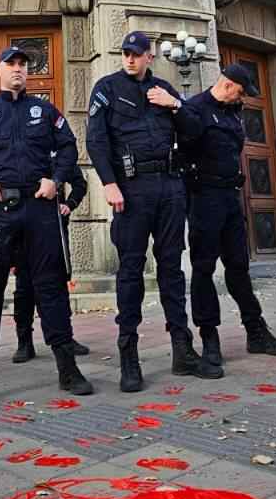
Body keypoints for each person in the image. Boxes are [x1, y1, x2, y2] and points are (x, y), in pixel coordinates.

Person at [0, 46, 91, 407]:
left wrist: (56, 178)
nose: (17, 70)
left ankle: (68, 368)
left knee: (52, 288)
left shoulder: (44, 111)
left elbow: (67, 147)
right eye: (10, 64)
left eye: (22, 65)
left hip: (40, 209)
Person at [85, 30, 205, 392]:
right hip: (131, 189)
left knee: (171, 268)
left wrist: (176, 105)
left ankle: (182, 349)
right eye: (126, 53)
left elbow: (195, 132)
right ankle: (129, 354)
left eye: (137, 54)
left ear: (150, 56)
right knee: (130, 271)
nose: (130, 59)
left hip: (169, 187)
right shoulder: (107, 88)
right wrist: (108, 182)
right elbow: (96, 139)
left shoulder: (166, 89)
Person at [179, 63, 276, 374]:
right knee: (203, 269)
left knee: (239, 267)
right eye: (241, 92)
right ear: (228, 85)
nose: (242, 98)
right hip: (203, 197)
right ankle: (209, 337)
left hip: (230, 198)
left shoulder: (232, 111)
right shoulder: (194, 109)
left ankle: (256, 331)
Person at [11, 164, 90, 363]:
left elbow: (79, 184)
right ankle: (24, 341)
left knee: (58, 284)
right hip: (23, 226)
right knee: (24, 288)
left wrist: (69, 204)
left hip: (53, 227)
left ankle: (65, 337)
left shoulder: (59, 152)